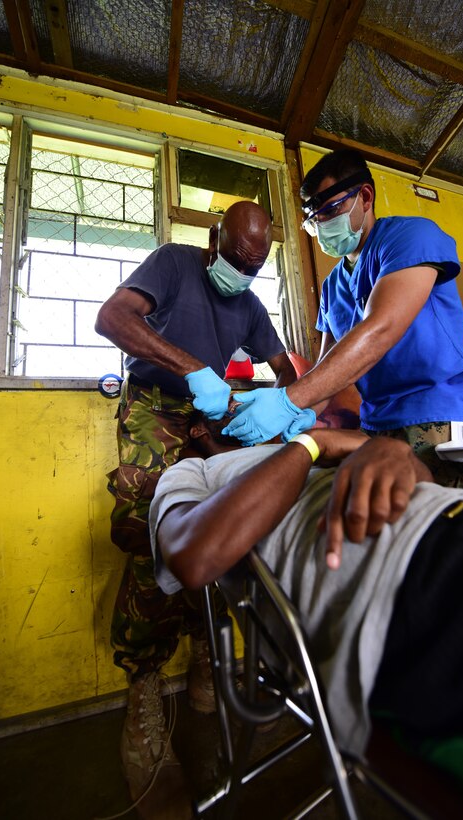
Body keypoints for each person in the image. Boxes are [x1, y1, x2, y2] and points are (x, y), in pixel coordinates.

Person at [151, 421, 463, 820]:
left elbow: (419, 481)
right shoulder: (193, 472)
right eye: (226, 421)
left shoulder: (324, 449)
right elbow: (195, 556)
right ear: (199, 437)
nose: (248, 426)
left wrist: (391, 452)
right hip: (405, 588)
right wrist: (309, 443)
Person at [94, 200, 299, 811]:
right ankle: (145, 688)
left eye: (256, 267)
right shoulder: (174, 265)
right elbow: (112, 318)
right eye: (237, 259)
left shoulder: (252, 302)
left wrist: (295, 400)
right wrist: (196, 370)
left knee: (239, 516)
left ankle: (211, 655)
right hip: (159, 406)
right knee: (148, 523)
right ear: (215, 240)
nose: (244, 273)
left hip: (217, 415)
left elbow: (286, 364)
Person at [222, 148, 463, 490]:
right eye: (313, 219)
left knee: (450, 528)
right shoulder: (333, 286)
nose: (321, 226)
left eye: (330, 210)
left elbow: (380, 330)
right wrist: (294, 416)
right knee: (391, 532)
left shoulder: (410, 238)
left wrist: (289, 400)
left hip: (437, 416)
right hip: (376, 425)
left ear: (365, 196)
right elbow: (327, 371)